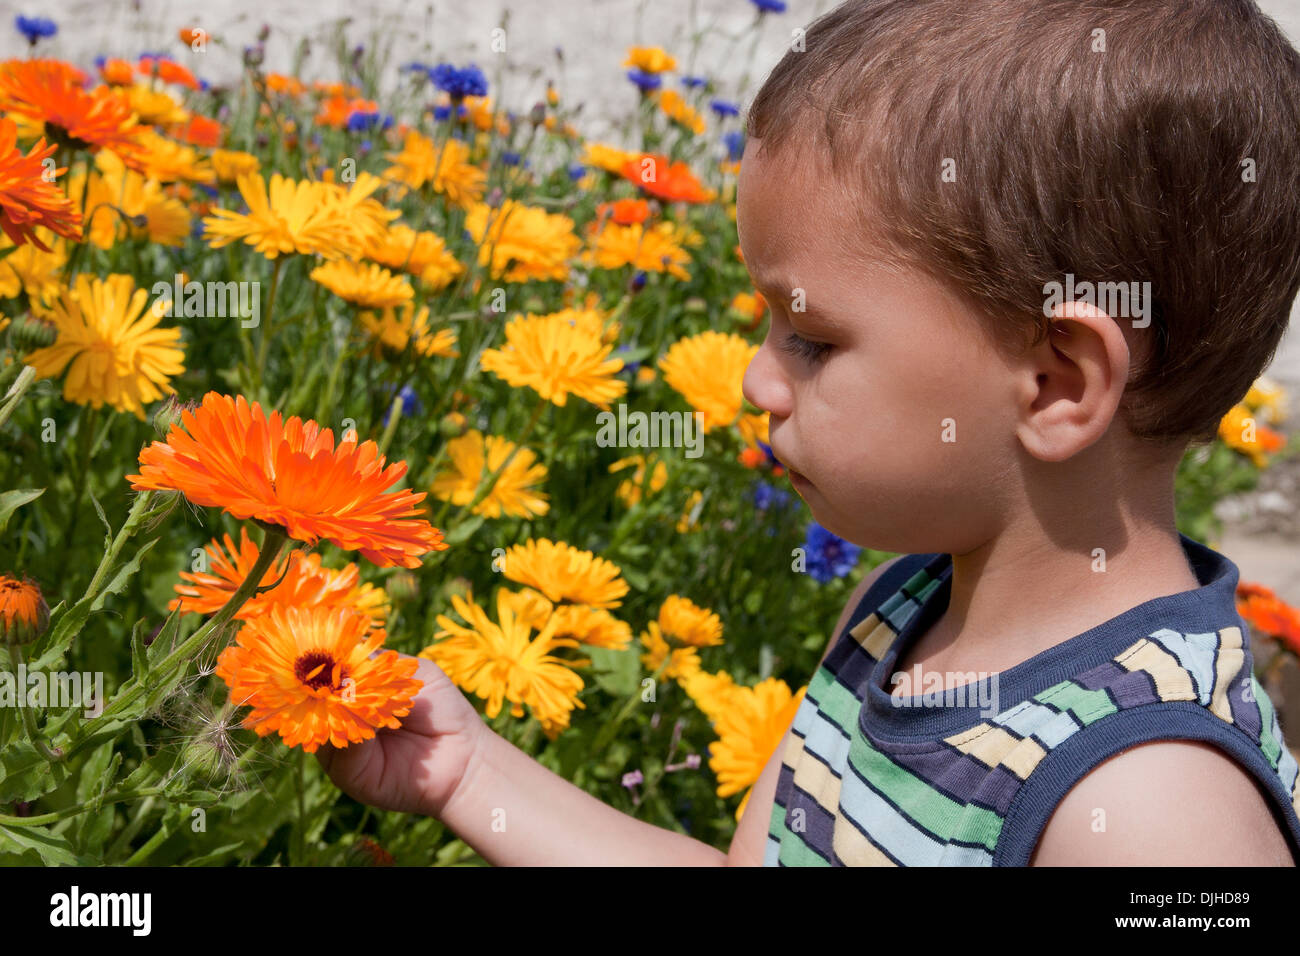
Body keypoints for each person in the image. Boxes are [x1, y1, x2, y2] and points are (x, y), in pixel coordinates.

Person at [319, 0, 1300, 865]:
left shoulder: (1149, 800)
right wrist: (465, 771)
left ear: (1053, 383)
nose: (755, 378)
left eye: (812, 339)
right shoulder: (895, 608)